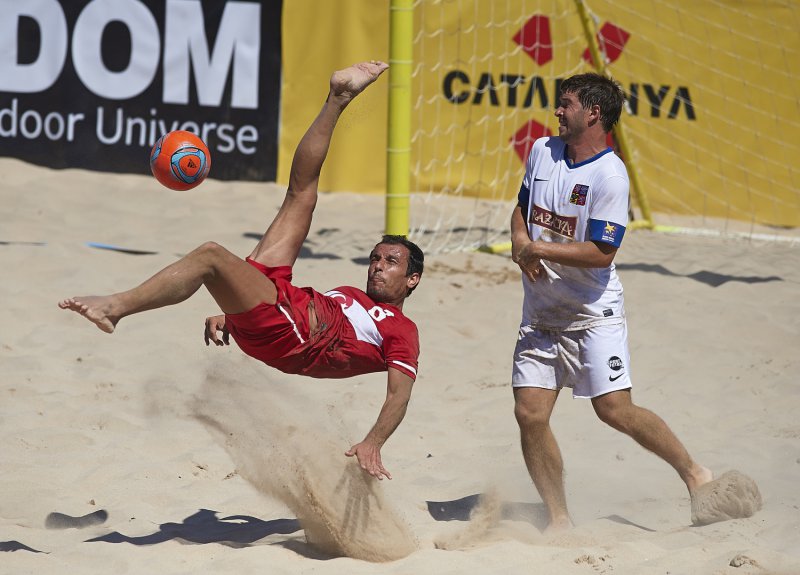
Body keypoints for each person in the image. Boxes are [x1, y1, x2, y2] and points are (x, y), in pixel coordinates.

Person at [58, 61, 424, 481]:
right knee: (300, 194)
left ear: (412, 280)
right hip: (281, 305)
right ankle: (338, 98)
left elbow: (399, 394)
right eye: (375, 258)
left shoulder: (402, 330)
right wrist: (236, 314)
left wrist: (373, 440)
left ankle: (115, 308)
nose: (377, 266)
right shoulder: (353, 296)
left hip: (293, 335)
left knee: (211, 256)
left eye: (390, 262)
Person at [509, 72, 712, 531]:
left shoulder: (610, 175)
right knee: (530, 414)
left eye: (566, 104)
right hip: (540, 315)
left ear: (593, 113)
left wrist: (539, 249)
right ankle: (558, 517)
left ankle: (695, 475)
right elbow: (521, 209)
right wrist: (523, 245)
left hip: (592, 314)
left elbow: (602, 254)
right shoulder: (542, 151)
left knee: (614, 410)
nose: (557, 111)